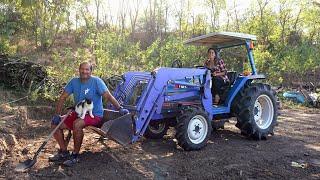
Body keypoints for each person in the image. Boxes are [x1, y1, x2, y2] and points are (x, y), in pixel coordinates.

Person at [50, 61, 125, 166]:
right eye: (82, 69)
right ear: (79, 70)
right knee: (55, 125)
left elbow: (108, 96)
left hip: (94, 114)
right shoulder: (74, 82)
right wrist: (57, 115)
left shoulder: (96, 82)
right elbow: (62, 97)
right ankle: (64, 152)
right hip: (79, 113)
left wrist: (119, 108)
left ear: (91, 71)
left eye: (87, 69)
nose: (84, 71)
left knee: (77, 123)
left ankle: (75, 155)